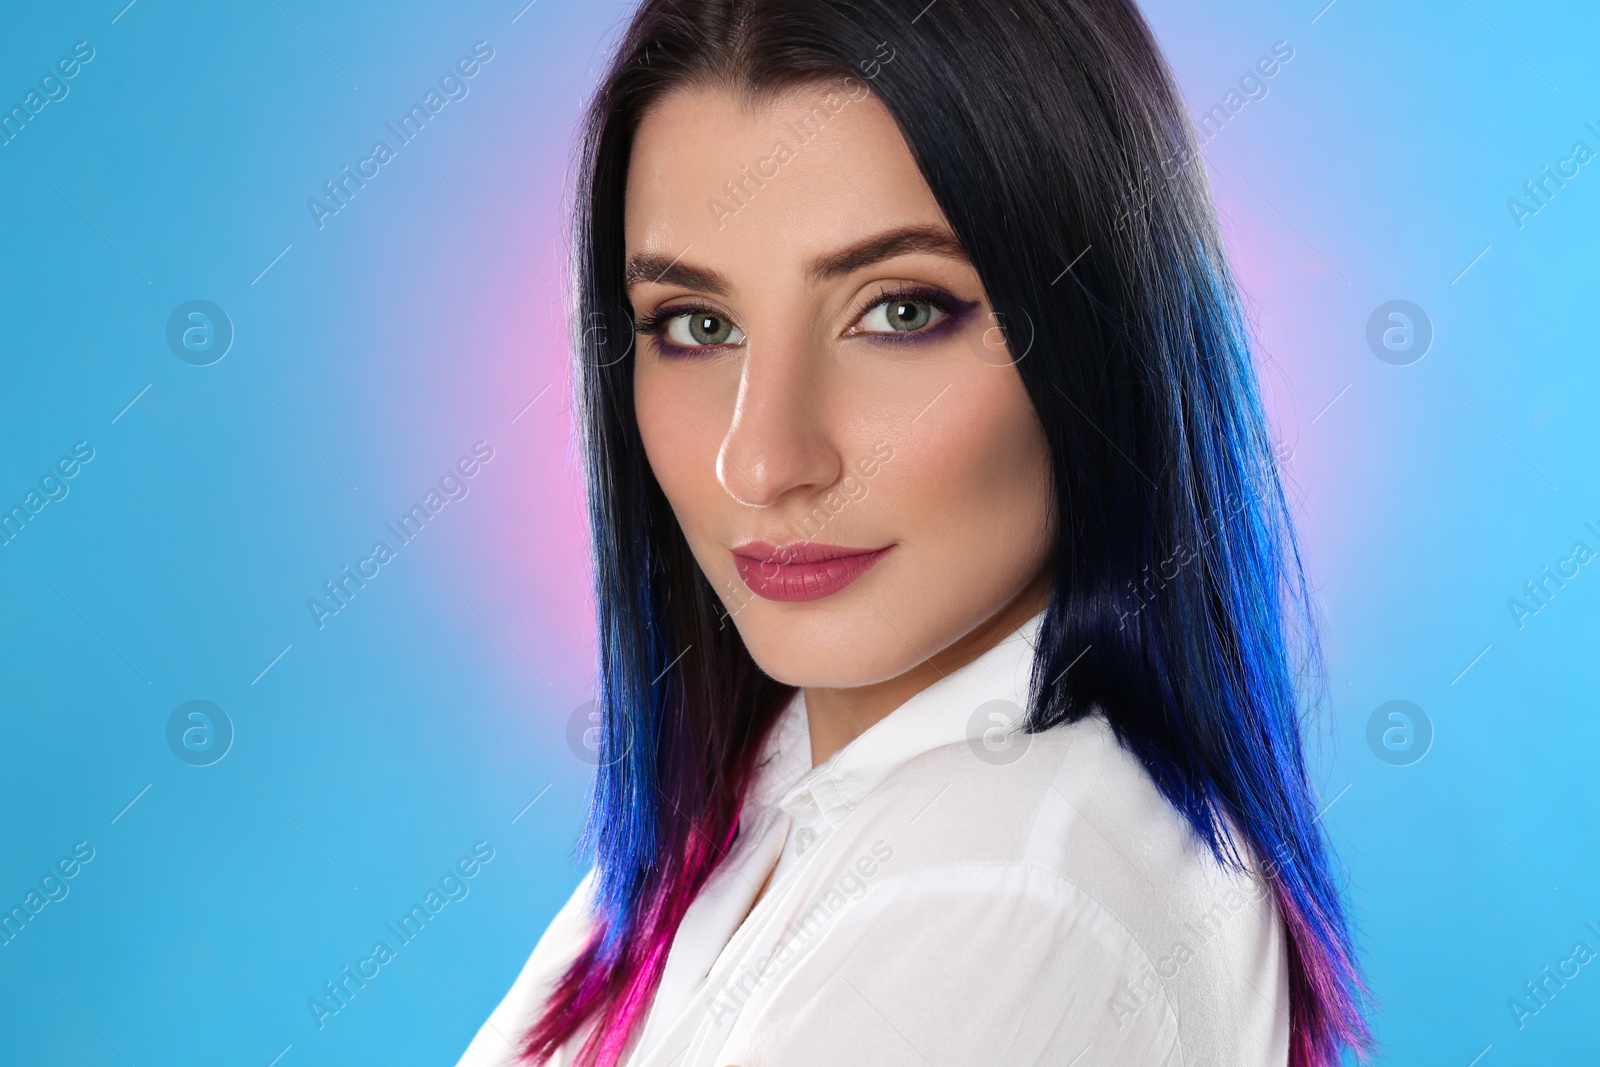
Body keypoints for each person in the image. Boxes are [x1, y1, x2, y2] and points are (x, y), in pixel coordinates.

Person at [455, 0, 1374, 1064]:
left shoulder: (1004, 890)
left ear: (1100, 331)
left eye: (899, 311)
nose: (758, 460)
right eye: (696, 324)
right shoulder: (767, 795)